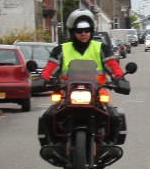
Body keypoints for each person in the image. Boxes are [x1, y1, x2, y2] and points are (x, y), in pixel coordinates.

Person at [37, 9, 129, 152]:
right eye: (79, 31)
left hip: (97, 95)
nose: (84, 34)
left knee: (115, 117)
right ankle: (54, 145)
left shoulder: (101, 48)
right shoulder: (61, 50)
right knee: (48, 117)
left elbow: (113, 66)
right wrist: (42, 80)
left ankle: (109, 145)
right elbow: (50, 68)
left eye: (87, 30)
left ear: (91, 31)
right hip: (67, 95)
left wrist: (120, 80)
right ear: (72, 32)